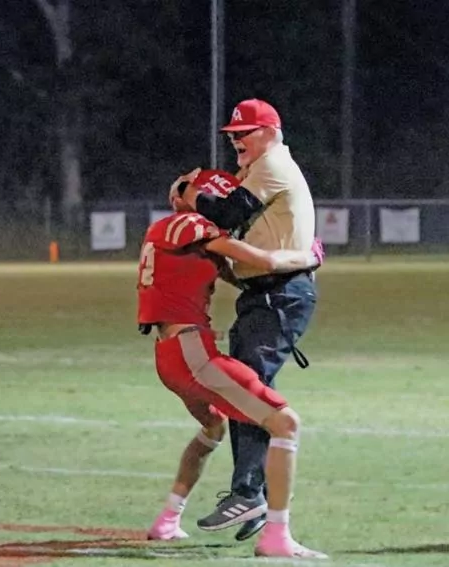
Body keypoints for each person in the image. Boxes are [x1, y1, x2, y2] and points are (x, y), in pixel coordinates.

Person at [140, 169, 327, 559]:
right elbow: (263, 260)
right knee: (285, 423)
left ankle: (168, 520)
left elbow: (241, 275)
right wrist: (309, 256)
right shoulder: (190, 225)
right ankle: (275, 535)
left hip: (170, 354)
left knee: (214, 426)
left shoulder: (179, 235)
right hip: (191, 352)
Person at [170, 98, 317, 542]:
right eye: (232, 134)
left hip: (279, 293)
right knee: (246, 391)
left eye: (244, 132)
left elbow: (228, 214)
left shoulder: (272, 164)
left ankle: (249, 493)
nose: (236, 140)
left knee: (249, 390)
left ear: (270, 132)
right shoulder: (261, 168)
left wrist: (188, 195)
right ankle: (255, 499)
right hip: (267, 294)